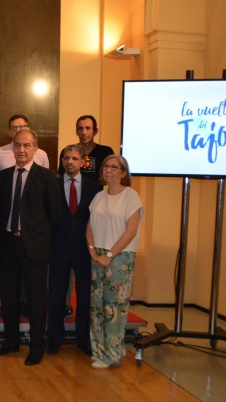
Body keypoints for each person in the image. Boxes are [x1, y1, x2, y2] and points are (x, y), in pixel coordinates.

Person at [0, 129, 61, 366]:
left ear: (35, 148)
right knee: (8, 296)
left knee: (36, 299)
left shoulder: (47, 176)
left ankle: (36, 346)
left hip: (35, 247)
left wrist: (40, 237)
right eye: (18, 145)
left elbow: (55, 215)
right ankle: (11, 342)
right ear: (13, 147)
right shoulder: (2, 177)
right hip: (9, 244)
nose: (21, 150)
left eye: (26, 146)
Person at [86, 154, 143, 369]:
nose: (109, 170)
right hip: (98, 255)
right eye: (106, 166)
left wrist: (108, 256)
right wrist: (92, 250)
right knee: (97, 306)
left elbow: (131, 232)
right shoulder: (99, 196)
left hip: (120, 257)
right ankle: (99, 350)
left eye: (114, 167)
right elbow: (89, 226)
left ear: (123, 172)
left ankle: (113, 354)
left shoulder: (131, 196)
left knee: (114, 308)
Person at [46, 144, 102, 357]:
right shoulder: (52, 184)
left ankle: (83, 339)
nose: (70, 162)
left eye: (74, 158)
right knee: (56, 295)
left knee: (85, 296)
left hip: (85, 248)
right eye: (66, 158)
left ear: (82, 162)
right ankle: (54, 338)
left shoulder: (94, 188)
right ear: (62, 161)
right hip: (58, 247)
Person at [0, 114, 49, 186]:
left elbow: (46, 182)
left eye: (21, 127)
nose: (18, 130)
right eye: (14, 128)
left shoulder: (42, 155)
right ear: (9, 132)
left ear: (28, 129)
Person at [57, 115, 114, 181]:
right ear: (77, 131)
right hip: (73, 190)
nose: (84, 133)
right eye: (80, 129)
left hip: (98, 191)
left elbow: (113, 176)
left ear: (95, 131)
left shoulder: (105, 152)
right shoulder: (68, 152)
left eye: (88, 128)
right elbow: (60, 176)